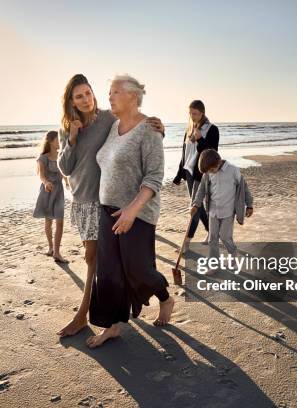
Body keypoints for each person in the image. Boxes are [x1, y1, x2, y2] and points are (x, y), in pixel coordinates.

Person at [56, 74, 165, 337]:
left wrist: (159, 126)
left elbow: (134, 125)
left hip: (103, 202)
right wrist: (71, 138)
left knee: (96, 261)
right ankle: (113, 316)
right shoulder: (67, 128)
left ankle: (84, 316)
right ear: (71, 101)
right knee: (100, 261)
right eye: (78, 96)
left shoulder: (108, 118)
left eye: (88, 93)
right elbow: (65, 168)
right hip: (82, 202)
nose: (86, 100)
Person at [87, 75, 173, 348]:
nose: (109, 97)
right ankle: (111, 327)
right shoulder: (112, 127)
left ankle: (166, 298)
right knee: (109, 270)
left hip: (137, 212)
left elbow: (155, 177)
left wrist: (132, 211)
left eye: (114, 92)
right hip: (106, 209)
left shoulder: (148, 129)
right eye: (109, 92)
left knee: (139, 269)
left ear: (132, 96)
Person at [190, 149, 254, 274]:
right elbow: (201, 189)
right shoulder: (208, 173)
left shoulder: (233, 170)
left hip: (228, 211)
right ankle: (214, 265)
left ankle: (233, 253)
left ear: (218, 162)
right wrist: (196, 204)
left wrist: (249, 205)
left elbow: (243, 188)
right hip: (213, 211)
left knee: (225, 236)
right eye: (208, 171)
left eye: (212, 169)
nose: (210, 172)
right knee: (212, 239)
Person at [173, 100, 219, 252]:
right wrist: (179, 174)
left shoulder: (212, 129)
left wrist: (200, 139)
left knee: (194, 206)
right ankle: (212, 232)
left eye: (195, 114)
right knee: (198, 207)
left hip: (201, 173)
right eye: (190, 113)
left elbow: (212, 154)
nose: (192, 117)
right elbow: (185, 153)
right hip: (189, 172)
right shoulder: (189, 130)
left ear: (202, 113)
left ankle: (186, 243)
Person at [33, 130, 68, 263]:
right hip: (47, 192)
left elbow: (64, 174)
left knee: (60, 221)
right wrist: (46, 182)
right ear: (51, 142)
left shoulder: (61, 156)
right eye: (58, 139)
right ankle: (50, 247)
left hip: (59, 191)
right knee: (48, 222)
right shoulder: (43, 158)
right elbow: (41, 175)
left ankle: (57, 253)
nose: (60, 142)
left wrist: (68, 184)